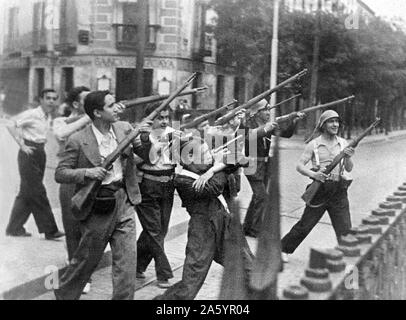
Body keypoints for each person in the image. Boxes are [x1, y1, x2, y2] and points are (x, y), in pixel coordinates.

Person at [54, 90, 142, 300]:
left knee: (127, 263)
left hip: (125, 200)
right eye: (111, 106)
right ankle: (65, 293)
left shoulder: (123, 129)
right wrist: (87, 173)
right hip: (98, 204)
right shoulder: (78, 139)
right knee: (86, 261)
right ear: (97, 112)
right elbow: (60, 173)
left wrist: (144, 138)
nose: (117, 108)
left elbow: (142, 155)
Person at [155, 136, 252, 300]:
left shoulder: (207, 167)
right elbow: (214, 187)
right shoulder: (182, 180)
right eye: (205, 153)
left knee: (250, 269)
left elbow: (243, 160)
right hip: (203, 231)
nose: (210, 155)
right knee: (191, 281)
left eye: (209, 151)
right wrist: (219, 166)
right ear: (189, 158)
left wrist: (213, 169)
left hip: (226, 225)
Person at [281, 110, 354, 262]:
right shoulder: (314, 144)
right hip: (320, 189)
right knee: (305, 225)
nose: (335, 124)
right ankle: (283, 249)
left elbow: (349, 168)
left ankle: (349, 259)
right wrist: (314, 175)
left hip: (339, 190)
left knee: (345, 227)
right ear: (323, 124)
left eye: (337, 121)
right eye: (331, 121)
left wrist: (347, 157)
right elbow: (300, 166)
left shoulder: (343, 143)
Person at [5, 88, 64, 240]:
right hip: (29, 153)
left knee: (27, 192)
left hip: (40, 152)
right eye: (48, 98)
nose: (51, 101)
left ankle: (14, 227)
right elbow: (10, 124)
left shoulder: (47, 116)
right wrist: (22, 145)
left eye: (54, 98)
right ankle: (50, 230)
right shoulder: (32, 114)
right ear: (41, 100)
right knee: (38, 191)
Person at [242, 99, 303, 238]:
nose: (269, 112)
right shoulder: (248, 124)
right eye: (266, 110)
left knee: (258, 196)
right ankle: (255, 229)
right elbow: (246, 138)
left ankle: (248, 226)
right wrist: (265, 129)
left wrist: (294, 121)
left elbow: (286, 134)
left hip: (265, 164)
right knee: (261, 196)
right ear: (257, 112)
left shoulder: (268, 125)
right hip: (251, 164)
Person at [53, 86, 92, 293]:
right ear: (76, 104)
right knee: (71, 228)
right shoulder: (60, 121)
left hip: (90, 178)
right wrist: (89, 117)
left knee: (88, 228)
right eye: (87, 100)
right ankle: (77, 274)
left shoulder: (96, 121)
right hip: (69, 179)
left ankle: (84, 271)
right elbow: (62, 133)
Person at [133, 104, 176, 288]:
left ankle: (135, 265)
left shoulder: (175, 133)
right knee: (154, 230)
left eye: (167, 117)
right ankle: (163, 274)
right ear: (151, 118)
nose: (164, 121)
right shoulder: (140, 135)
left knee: (160, 230)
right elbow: (134, 160)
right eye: (160, 117)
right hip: (147, 185)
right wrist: (150, 145)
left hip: (168, 185)